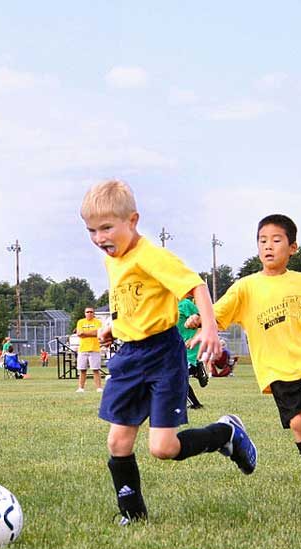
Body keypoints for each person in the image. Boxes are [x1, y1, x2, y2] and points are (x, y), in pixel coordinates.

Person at [80, 179, 257, 525]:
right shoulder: (112, 260)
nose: (100, 238)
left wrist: (209, 328)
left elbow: (196, 286)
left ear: (132, 221)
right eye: (91, 230)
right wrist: (111, 327)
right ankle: (133, 515)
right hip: (129, 357)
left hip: (162, 356)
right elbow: (132, 302)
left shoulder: (151, 256)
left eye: (106, 227)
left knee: (163, 448)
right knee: (118, 441)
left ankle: (226, 433)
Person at [194, 214, 301, 483]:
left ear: (292, 247)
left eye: (276, 240)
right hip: (276, 369)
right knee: (299, 424)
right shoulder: (245, 288)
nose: (268, 246)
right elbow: (217, 314)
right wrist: (200, 318)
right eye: (262, 240)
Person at [178, 292, 208, 409]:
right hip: (178, 347)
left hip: (190, 345)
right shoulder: (167, 307)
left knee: (179, 375)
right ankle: (196, 370)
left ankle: (195, 404)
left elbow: (203, 321)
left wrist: (194, 338)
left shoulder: (185, 304)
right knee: (179, 376)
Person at [74, 307, 103, 392]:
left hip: (94, 348)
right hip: (83, 349)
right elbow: (79, 333)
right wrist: (90, 333)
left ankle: (99, 388)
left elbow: (97, 333)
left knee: (96, 369)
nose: (89, 313)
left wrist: (85, 333)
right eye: (87, 312)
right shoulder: (80, 322)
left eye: (91, 312)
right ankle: (81, 388)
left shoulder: (98, 322)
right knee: (82, 369)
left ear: (94, 313)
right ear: (85, 313)